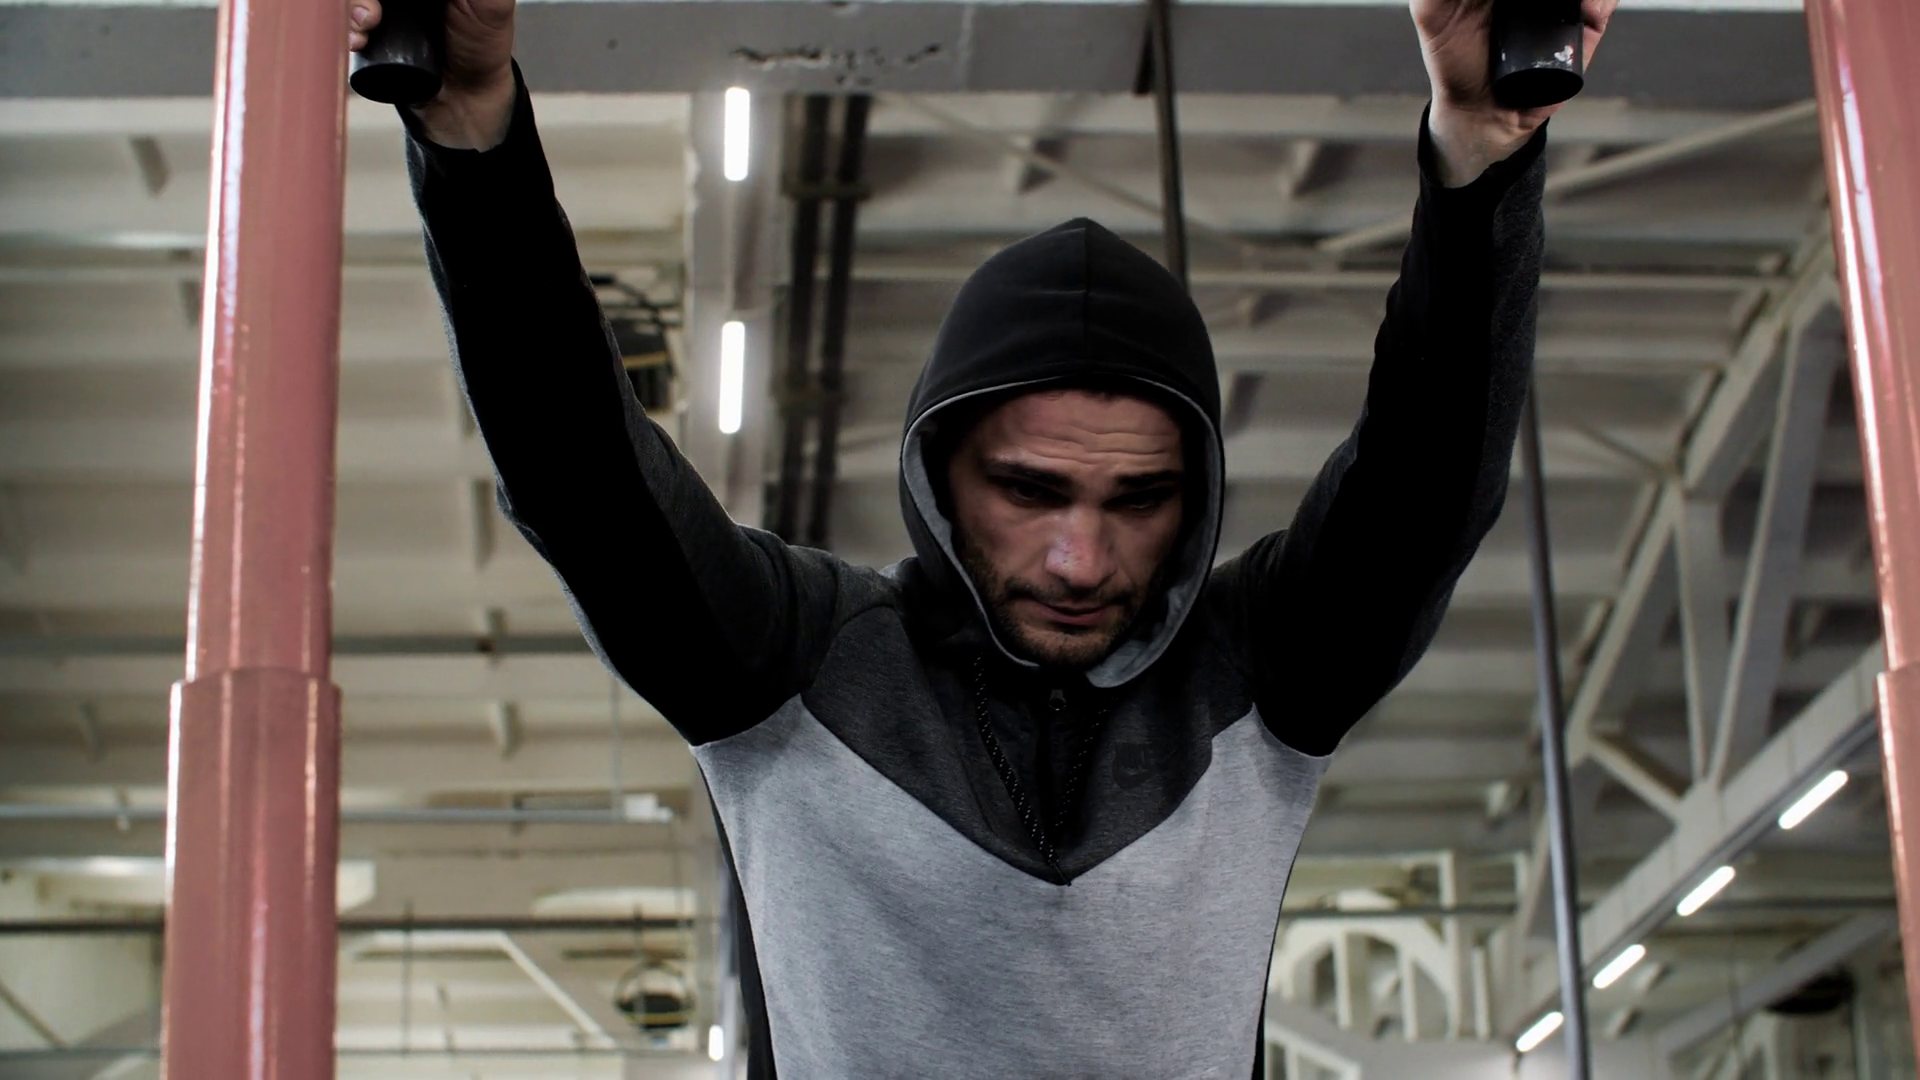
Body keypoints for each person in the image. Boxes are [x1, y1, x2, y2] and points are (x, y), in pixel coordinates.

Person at [352, 1, 1614, 1074]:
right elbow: (583, 478)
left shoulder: (1258, 675)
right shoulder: (788, 660)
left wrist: (1483, 150)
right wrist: (471, 132)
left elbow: (1426, 484)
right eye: (1028, 491)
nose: (1080, 560)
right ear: (940, 475)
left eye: (1137, 502)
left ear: (1195, 502)